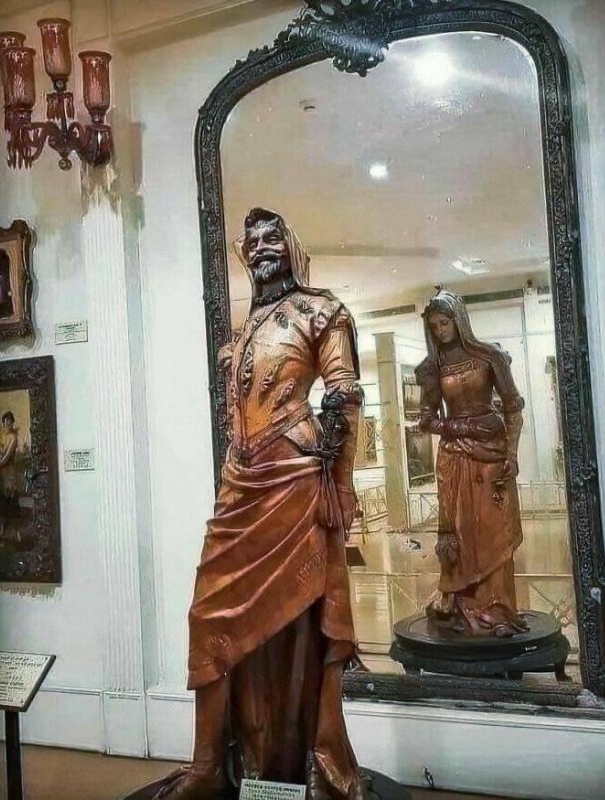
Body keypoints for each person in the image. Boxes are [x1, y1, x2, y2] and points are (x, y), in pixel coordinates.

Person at [156, 208, 367, 800]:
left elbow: (345, 393)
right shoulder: (241, 333)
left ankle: (311, 760)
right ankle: (207, 765)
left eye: (272, 237)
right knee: (208, 613)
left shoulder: (322, 311)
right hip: (240, 486)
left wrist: (342, 482)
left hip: (296, 482)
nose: (261, 247)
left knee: (302, 623)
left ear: (291, 246)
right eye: (251, 241)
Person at [416, 290, 528, 638]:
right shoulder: (433, 368)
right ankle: (463, 607)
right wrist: (462, 427)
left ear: (459, 320)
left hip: (492, 456)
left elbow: (513, 409)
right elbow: (426, 419)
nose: (440, 331)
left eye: (445, 323)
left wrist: (511, 454)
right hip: (455, 458)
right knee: (461, 534)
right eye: (434, 326)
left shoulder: (489, 356)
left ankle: (499, 611)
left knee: (494, 531)